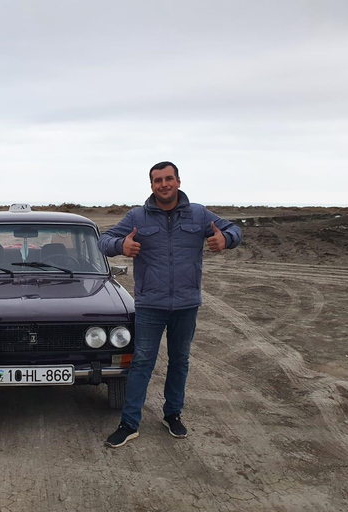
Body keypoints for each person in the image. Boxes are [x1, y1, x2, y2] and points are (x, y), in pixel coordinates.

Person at [98, 161, 242, 447]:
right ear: (151, 185)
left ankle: (172, 414)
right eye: (157, 180)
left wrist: (225, 239)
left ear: (178, 181)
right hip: (151, 304)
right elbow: (104, 240)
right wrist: (121, 247)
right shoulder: (137, 216)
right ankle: (129, 423)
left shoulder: (199, 214)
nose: (163, 184)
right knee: (141, 362)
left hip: (187, 304)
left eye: (168, 179)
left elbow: (235, 229)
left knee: (180, 361)